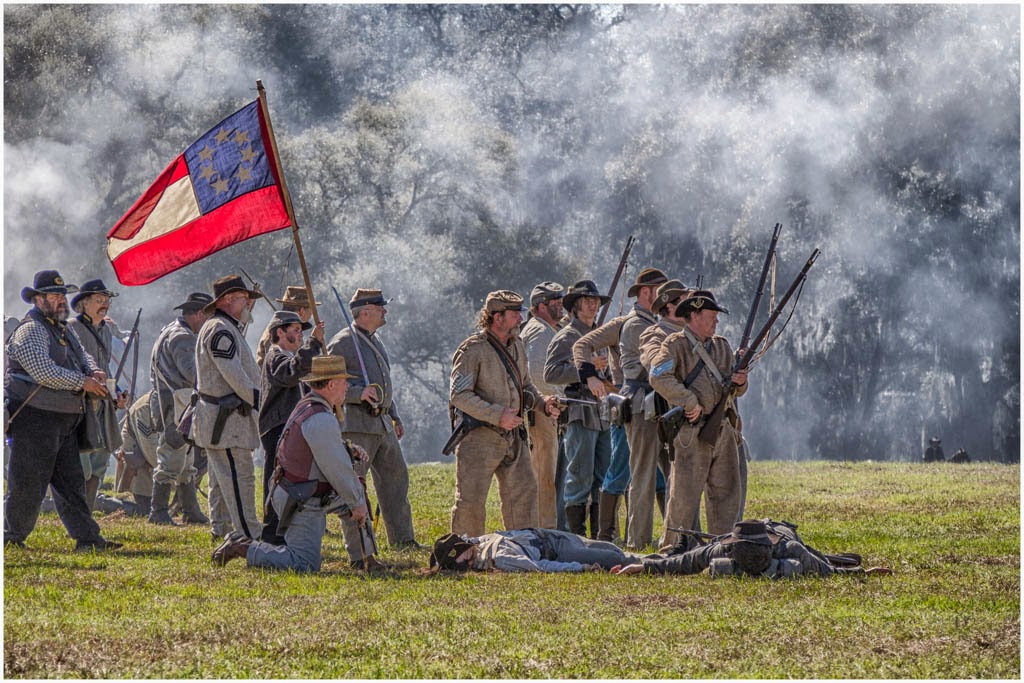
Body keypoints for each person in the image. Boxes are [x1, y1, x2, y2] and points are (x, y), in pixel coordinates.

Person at [212, 356, 371, 572]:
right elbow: (338, 470)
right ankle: (244, 547)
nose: (347, 386)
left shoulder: (310, 406)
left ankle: (364, 559)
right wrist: (357, 503)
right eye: (345, 381)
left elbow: (321, 449)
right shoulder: (321, 418)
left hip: (301, 492)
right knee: (304, 563)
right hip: (302, 500)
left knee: (356, 495)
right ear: (332, 384)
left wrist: (347, 451)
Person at [3, 270, 121, 551]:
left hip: (64, 418)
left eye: (62, 295)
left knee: (72, 484)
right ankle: (10, 537)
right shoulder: (30, 329)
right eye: (54, 295)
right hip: (35, 417)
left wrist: (94, 371)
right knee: (27, 484)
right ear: (38, 299)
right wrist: (84, 382)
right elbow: (44, 372)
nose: (60, 300)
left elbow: (83, 356)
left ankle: (88, 539)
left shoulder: (62, 329)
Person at [449, 290, 561, 536]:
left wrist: (543, 404)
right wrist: (498, 415)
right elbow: (459, 395)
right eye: (514, 315)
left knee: (524, 492)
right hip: (479, 438)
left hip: (514, 438)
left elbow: (525, 387)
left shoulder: (518, 346)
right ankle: (464, 552)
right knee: (471, 501)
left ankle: (521, 549)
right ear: (496, 318)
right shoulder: (472, 350)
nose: (520, 319)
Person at [327, 287, 419, 563]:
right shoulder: (343, 342)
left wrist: (395, 415)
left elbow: (383, 384)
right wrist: (357, 393)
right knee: (355, 487)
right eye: (380, 308)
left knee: (396, 480)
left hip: (381, 423)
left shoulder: (374, 340)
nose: (385, 312)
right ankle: (361, 547)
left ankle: (403, 538)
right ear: (365, 312)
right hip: (356, 424)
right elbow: (329, 382)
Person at [649, 289, 748, 543]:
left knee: (726, 494)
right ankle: (673, 549)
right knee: (683, 496)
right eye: (711, 315)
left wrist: (740, 380)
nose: (716, 321)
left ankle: (722, 547)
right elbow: (658, 376)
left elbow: (736, 389)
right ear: (694, 315)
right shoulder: (675, 345)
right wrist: (688, 401)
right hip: (692, 431)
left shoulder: (722, 347)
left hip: (723, 430)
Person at [189, 274, 264, 542]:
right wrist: (260, 401)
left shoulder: (223, 326)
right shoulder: (220, 329)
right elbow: (234, 375)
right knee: (239, 477)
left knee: (223, 479)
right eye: (244, 299)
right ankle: (248, 535)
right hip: (228, 420)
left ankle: (221, 530)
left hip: (224, 419)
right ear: (227, 300)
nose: (248, 304)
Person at [544, 280, 613, 538]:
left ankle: (600, 536)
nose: (593, 304)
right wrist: (585, 369)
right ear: (575, 306)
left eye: (595, 300)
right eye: (586, 300)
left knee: (603, 477)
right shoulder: (566, 336)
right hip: (579, 411)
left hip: (603, 412)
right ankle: (575, 536)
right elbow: (550, 373)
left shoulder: (600, 334)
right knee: (579, 477)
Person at [629, 278, 692, 548]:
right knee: (643, 477)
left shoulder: (690, 336)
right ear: (667, 307)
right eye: (681, 302)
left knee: (680, 479)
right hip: (649, 411)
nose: (687, 307)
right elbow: (654, 364)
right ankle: (637, 540)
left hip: (677, 413)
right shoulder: (654, 333)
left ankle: (679, 538)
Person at [611, 519, 892, 578]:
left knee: (817, 557)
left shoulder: (789, 548)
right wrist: (645, 565)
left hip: (780, 528)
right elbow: (683, 562)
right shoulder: (720, 549)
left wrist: (861, 571)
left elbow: (826, 571)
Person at [258, 310, 324, 544]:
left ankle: (285, 531)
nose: (300, 335)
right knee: (277, 481)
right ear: (280, 332)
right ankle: (272, 532)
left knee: (288, 481)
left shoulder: (288, 356)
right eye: (295, 330)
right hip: (277, 428)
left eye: (300, 331)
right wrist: (314, 343)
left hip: (287, 428)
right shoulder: (276, 356)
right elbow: (290, 373)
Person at [149, 292, 213, 526]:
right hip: (175, 405)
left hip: (175, 403)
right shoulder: (182, 338)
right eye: (208, 315)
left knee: (186, 460)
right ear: (198, 314)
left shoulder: (174, 331)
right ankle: (158, 511)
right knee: (172, 456)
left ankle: (189, 509)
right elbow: (192, 374)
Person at [67, 279, 128, 511]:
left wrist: (117, 394)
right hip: (80, 405)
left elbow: (105, 369)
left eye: (106, 301)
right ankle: (77, 517)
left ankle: (88, 515)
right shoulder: (72, 328)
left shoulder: (105, 329)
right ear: (83, 304)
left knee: (100, 464)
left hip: (103, 406)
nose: (105, 305)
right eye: (99, 301)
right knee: (82, 466)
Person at [519, 281, 564, 529]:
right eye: (553, 303)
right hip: (543, 412)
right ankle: (544, 530)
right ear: (539, 307)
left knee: (545, 475)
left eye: (559, 301)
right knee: (544, 476)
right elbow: (537, 373)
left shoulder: (546, 328)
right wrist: (554, 398)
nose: (559, 306)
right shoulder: (540, 331)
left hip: (544, 410)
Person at [428, 528, 644, 573]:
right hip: (559, 551)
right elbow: (542, 566)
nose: (469, 556)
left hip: (553, 535)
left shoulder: (480, 541)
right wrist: (582, 568)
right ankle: (662, 563)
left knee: (612, 548)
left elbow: (471, 537)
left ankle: (668, 559)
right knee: (614, 557)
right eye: (464, 559)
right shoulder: (500, 558)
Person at [117, 391, 160, 517]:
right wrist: (172, 473)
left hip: (154, 454)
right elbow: (149, 448)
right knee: (142, 509)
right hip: (138, 455)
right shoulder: (144, 408)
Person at [256, 285, 321, 366]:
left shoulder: (290, 332)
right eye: (310, 312)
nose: (311, 316)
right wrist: (314, 341)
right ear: (302, 311)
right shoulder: (277, 335)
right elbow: (288, 368)